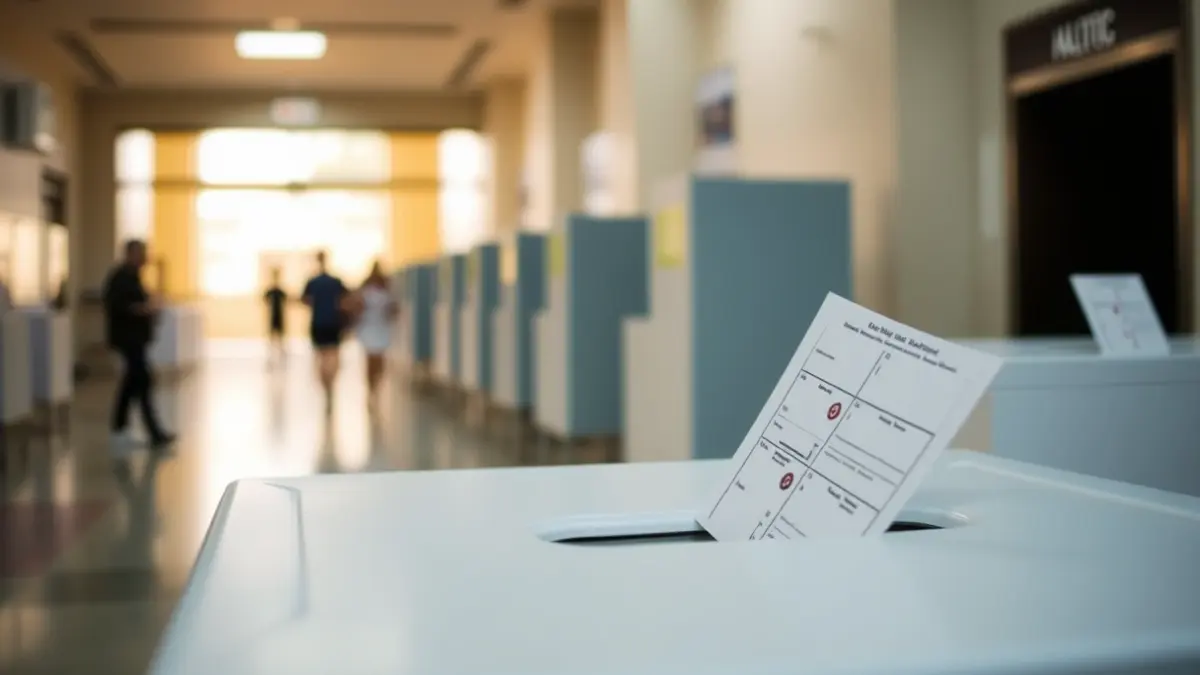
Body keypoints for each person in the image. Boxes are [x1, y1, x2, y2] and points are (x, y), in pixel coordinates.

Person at [103, 239, 175, 452]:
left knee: (133, 382)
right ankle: (151, 432)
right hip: (128, 339)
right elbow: (119, 306)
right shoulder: (120, 277)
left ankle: (122, 428)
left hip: (136, 339)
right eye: (141, 253)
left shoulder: (134, 278)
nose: (145, 258)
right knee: (141, 380)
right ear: (131, 254)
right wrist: (142, 309)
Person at [301, 251, 348, 407]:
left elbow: (305, 300)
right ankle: (330, 384)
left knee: (322, 356)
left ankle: (326, 384)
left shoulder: (313, 282)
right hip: (333, 323)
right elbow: (346, 299)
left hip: (319, 323)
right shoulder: (335, 281)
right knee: (332, 354)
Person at [354, 261, 399, 409]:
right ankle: (371, 390)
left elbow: (394, 310)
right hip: (369, 328)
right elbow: (357, 307)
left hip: (381, 328)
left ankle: (376, 387)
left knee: (380, 362)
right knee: (370, 360)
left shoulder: (386, 292)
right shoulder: (365, 292)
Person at [263, 267, 288, 366]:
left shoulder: (280, 291)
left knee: (281, 338)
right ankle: (271, 356)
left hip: (279, 317)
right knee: (272, 338)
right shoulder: (270, 291)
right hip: (272, 317)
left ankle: (282, 355)